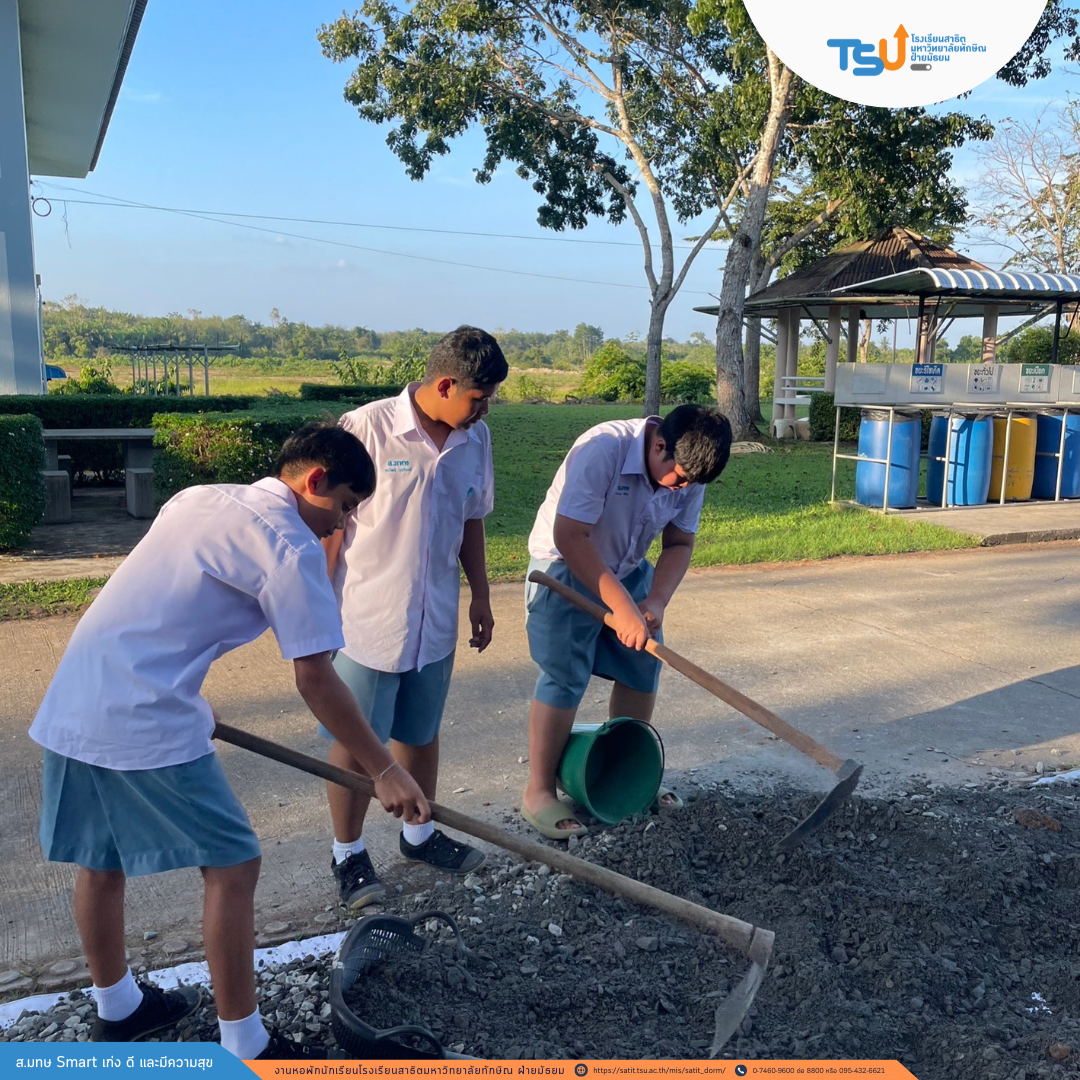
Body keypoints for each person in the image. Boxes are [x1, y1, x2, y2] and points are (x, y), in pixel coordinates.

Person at [29, 420, 428, 1060]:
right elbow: (316, 678)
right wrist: (384, 770)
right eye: (345, 505)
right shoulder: (289, 544)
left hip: (81, 693)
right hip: (142, 711)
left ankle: (119, 1009)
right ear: (315, 480)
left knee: (100, 860)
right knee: (234, 863)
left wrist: (185, 685)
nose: (343, 524)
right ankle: (245, 1044)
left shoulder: (200, 497)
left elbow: (167, 607)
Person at [321, 326, 508, 909]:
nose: (485, 410)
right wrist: (316, 607)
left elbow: (471, 518)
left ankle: (419, 835)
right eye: (478, 398)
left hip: (435, 619)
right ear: (445, 384)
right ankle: (347, 854)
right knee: (357, 744)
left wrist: (480, 595)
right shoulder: (367, 429)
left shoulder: (475, 440)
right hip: (367, 621)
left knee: (420, 734)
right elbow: (329, 525)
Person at [521, 404, 732, 840]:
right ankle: (539, 791)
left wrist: (655, 601)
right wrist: (622, 608)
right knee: (564, 674)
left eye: (692, 483)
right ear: (659, 446)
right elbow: (570, 536)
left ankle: (627, 773)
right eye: (679, 478)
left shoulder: (690, 471)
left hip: (628, 569)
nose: (684, 488)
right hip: (564, 565)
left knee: (642, 665)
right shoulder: (603, 449)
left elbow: (680, 542)